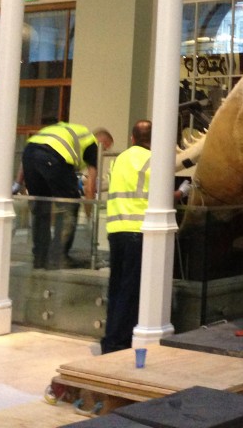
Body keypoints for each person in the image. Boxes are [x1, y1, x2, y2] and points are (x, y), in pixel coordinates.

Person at [20, 117, 112, 270]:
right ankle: (59, 257)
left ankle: (40, 258)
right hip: (53, 157)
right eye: (107, 149)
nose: (105, 152)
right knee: (70, 203)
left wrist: (18, 182)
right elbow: (90, 189)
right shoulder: (92, 144)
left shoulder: (67, 131)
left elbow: (28, 160)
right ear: (104, 143)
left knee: (41, 205)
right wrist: (88, 216)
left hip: (29, 154)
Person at [100, 119, 152, 354]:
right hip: (137, 232)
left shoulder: (119, 159)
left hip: (116, 231)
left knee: (116, 287)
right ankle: (120, 342)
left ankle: (110, 339)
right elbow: (160, 196)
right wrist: (182, 192)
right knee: (131, 290)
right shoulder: (153, 160)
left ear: (132, 138)